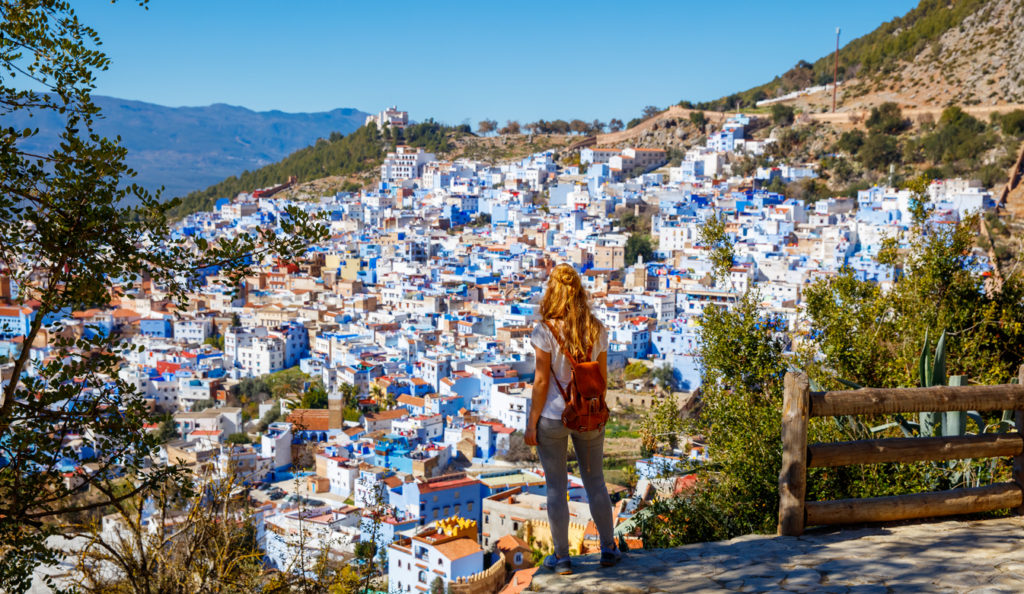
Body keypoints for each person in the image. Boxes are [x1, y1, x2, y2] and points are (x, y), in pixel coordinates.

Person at [524, 264, 621, 575]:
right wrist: (595, 412)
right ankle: (608, 549)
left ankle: (562, 557)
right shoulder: (597, 329)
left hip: (552, 417)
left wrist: (531, 423)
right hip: (589, 415)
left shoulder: (544, 330)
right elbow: (602, 379)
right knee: (596, 481)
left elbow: (540, 383)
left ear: (552, 292)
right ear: (580, 293)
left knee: (556, 487)